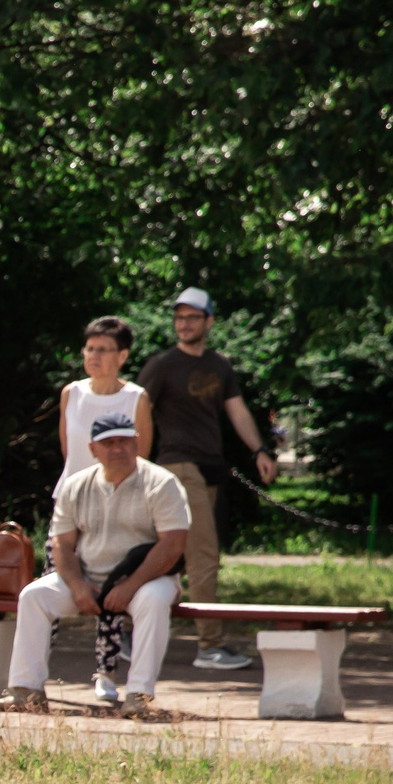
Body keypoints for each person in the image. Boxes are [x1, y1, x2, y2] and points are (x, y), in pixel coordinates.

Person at [0, 413, 190, 717]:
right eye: (108, 442)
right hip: (87, 577)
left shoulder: (162, 483)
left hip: (149, 579)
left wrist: (130, 586)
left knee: (153, 600)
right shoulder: (76, 485)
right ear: (92, 448)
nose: (117, 448)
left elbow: (173, 545)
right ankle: (26, 691)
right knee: (34, 596)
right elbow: (62, 544)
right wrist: (77, 586)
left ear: (137, 443)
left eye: (124, 441)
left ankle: (139, 695)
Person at [136, 287, 276, 671]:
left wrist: (260, 451)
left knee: (172, 558)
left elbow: (238, 412)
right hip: (176, 468)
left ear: (209, 322)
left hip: (209, 468)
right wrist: (136, 464)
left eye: (192, 317)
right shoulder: (162, 365)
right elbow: (136, 411)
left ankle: (135, 636)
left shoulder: (219, 366)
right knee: (203, 556)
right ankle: (210, 646)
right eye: (179, 317)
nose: (184, 324)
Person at [57, 315, 150, 474]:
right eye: (89, 349)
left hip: (121, 494)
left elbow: (141, 458)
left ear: (122, 356)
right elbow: (68, 454)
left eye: (102, 350)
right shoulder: (71, 393)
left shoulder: (137, 398)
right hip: (74, 493)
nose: (93, 356)